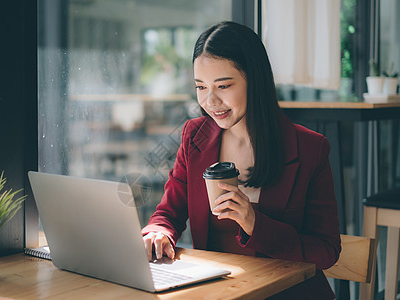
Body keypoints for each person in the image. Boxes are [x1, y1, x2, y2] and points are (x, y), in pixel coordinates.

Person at [141, 21, 341, 299]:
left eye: (223, 86)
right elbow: (168, 213)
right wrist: (158, 232)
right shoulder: (194, 137)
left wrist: (254, 223)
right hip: (220, 293)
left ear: (254, 80)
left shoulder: (310, 149)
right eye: (201, 87)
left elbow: (327, 251)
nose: (210, 101)